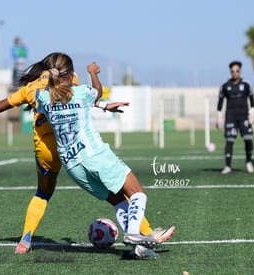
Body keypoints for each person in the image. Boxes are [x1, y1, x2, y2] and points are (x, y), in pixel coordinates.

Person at [0, 52, 176, 255]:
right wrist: (96, 83)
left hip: (62, 158)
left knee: (48, 194)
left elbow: (5, 104)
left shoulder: (39, 95)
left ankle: (25, 239)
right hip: (90, 152)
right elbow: (89, 96)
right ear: (69, 73)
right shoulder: (76, 86)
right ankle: (139, 233)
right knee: (135, 192)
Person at [36, 55, 174, 259]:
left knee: (118, 200)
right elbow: (97, 92)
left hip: (72, 165)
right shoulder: (81, 92)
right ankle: (134, 233)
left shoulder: (43, 98)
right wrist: (92, 72)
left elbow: (64, 100)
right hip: (95, 155)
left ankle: (140, 248)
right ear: (71, 73)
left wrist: (103, 105)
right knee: (137, 193)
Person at [216, 60, 254, 174]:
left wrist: (253, 112)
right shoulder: (225, 86)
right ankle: (228, 166)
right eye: (232, 71)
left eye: (237, 71)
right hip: (231, 116)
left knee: (248, 139)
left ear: (240, 71)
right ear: (230, 72)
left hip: (244, 116)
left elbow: (252, 99)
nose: (235, 73)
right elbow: (220, 101)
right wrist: (219, 116)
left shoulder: (246, 84)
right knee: (229, 140)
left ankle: (248, 161)